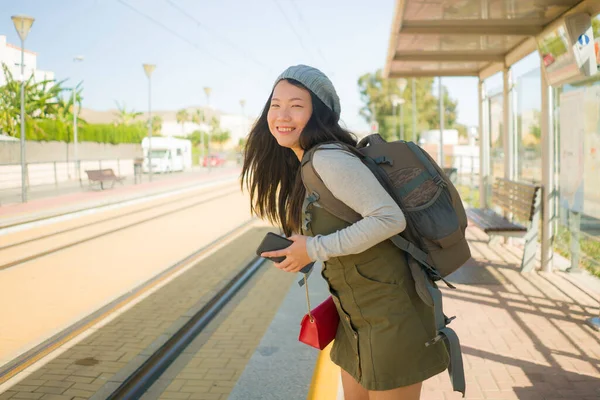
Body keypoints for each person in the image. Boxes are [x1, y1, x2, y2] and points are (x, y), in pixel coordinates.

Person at [240, 65, 449, 400]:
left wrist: (315, 248)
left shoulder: (328, 159)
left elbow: (388, 219)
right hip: (353, 318)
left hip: (391, 317)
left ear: (319, 114)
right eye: (275, 104)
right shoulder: (307, 162)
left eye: (296, 105)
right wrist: (302, 248)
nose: (282, 114)